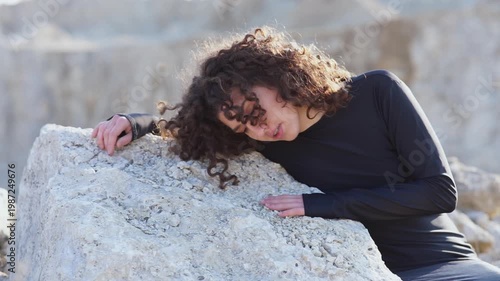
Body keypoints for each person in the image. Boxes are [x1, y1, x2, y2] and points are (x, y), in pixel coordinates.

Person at [92, 27, 500, 280]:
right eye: (242, 127)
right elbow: (177, 127)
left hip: (446, 265)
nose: (258, 129)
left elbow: (439, 193)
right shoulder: (266, 140)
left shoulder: (377, 92)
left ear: (277, 77)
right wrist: (134, 121)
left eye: (255, 112)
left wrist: (321, 205)